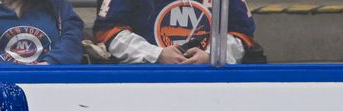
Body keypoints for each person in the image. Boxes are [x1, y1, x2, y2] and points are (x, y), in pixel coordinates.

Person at [92, 0, 257, 64]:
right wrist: (156, 55)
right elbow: (108, 31)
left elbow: (241, 33)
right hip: (145, 82)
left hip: (209, 82)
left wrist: (211, 56)